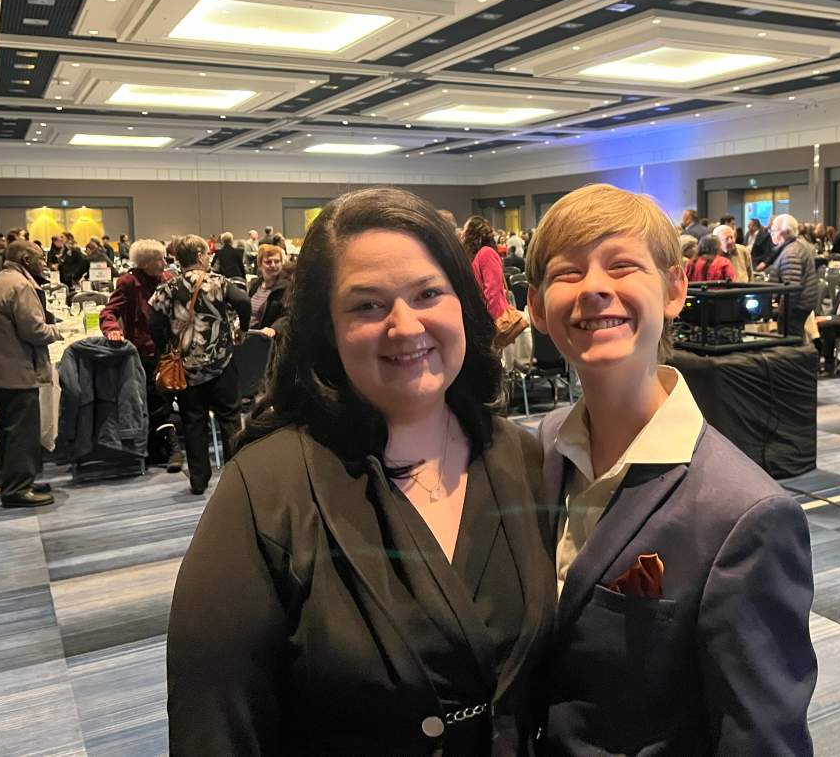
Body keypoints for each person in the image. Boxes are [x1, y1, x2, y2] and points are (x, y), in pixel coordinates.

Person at [166, 188, 553, 754]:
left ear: (463, 304)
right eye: (367, 305)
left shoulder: (521, 455)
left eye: (427, 293)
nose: (404, 325)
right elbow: (216, 724)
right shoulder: (267, 488)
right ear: (327, 327)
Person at [525, 184, 816, 755]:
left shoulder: (745, 514)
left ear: (674, 289)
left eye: (622, 265)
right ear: (536, 306)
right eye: (568, 273)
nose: (595, 289)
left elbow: (761, 736)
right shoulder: (542, 446)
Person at [148, 234, 250, 495]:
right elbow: (243, 301)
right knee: (230, 421)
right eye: (206, 254)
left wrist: (165, 347)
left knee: (194, 422)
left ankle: (198, 480)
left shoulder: (167, 288)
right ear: (199, 256)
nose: (208, 258)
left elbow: (154, 322)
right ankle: (236, 480)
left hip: (186, 369)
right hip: (221, 364)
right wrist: (243, 329)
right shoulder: (218, 282)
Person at [0, 240, 62, 507]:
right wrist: (58, 330)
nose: (44, 263)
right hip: (14, 369)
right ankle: (16, 490)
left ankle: (20, 480)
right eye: (39, 258)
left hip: (1, 367)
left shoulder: (3, 279)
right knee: (21, 431)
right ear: (25, 260)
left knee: (12, 430)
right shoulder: (21, 285)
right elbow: (35, 332)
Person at [100, 239, 184, 469]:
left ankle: (168, 447)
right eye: (159, 259)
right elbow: (109, 311)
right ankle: (165, 448)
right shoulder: (129, 282)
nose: (165, 263)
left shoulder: (167, 279)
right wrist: (112, 330)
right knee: (153, 401)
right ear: (145, 263)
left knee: (162, 399)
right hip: (142, 351)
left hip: (168, 349)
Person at [766, 214, 820, 339]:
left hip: (795, 307)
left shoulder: (791, 253)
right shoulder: (795, 246)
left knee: (792, 342)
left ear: (783, 232)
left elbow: (791, 289)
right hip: (801, 304)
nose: (771, 234)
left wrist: (781, 312)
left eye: (773, 230)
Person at [461, 216, 507, 321]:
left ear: (471, 233)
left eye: (465, 229)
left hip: (493, 319)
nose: (462, 233)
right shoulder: (473, 255)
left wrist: (488, 321)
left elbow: (492, 291)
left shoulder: (487, 253)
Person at [246, 243, 287, 334]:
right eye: (268, 262)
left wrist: (274, 329)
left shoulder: (287, 287)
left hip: (271, 341)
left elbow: (288, 316)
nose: (273, 265)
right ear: (260, 264)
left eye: (277, 261)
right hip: (250, 336)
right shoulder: (254, 285)